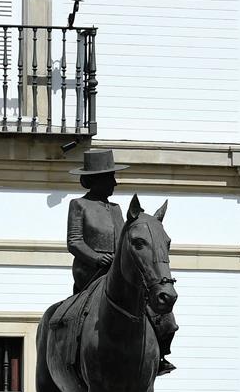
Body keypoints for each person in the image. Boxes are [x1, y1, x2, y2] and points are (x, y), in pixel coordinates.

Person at [67, 148, 177, 376]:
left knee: (160, 313)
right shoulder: (79, 205)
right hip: (91, 273)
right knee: (76, 316)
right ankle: (73, 355)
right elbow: (74, 241)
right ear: (96, 180)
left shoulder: (117, 210)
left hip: (118, 271)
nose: (114, 183)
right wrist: (96, 258)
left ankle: (160, 355)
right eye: (110, 178)